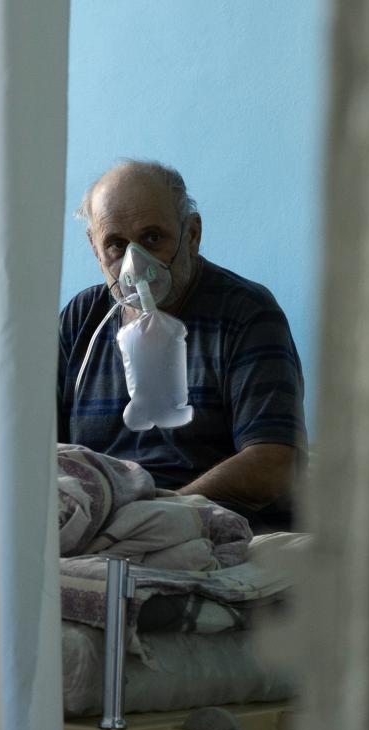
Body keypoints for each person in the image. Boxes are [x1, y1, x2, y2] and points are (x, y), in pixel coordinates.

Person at [57, 159, 306, 531]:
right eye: (116, 245)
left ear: (192, 234)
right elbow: (37, 450)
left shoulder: (245, 313)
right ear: (95, 247)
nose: (134, 264)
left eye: (152, 239)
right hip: (101, 524)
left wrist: (162, 512)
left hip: (211, 527)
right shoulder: (82, 321)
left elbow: (273, 462)